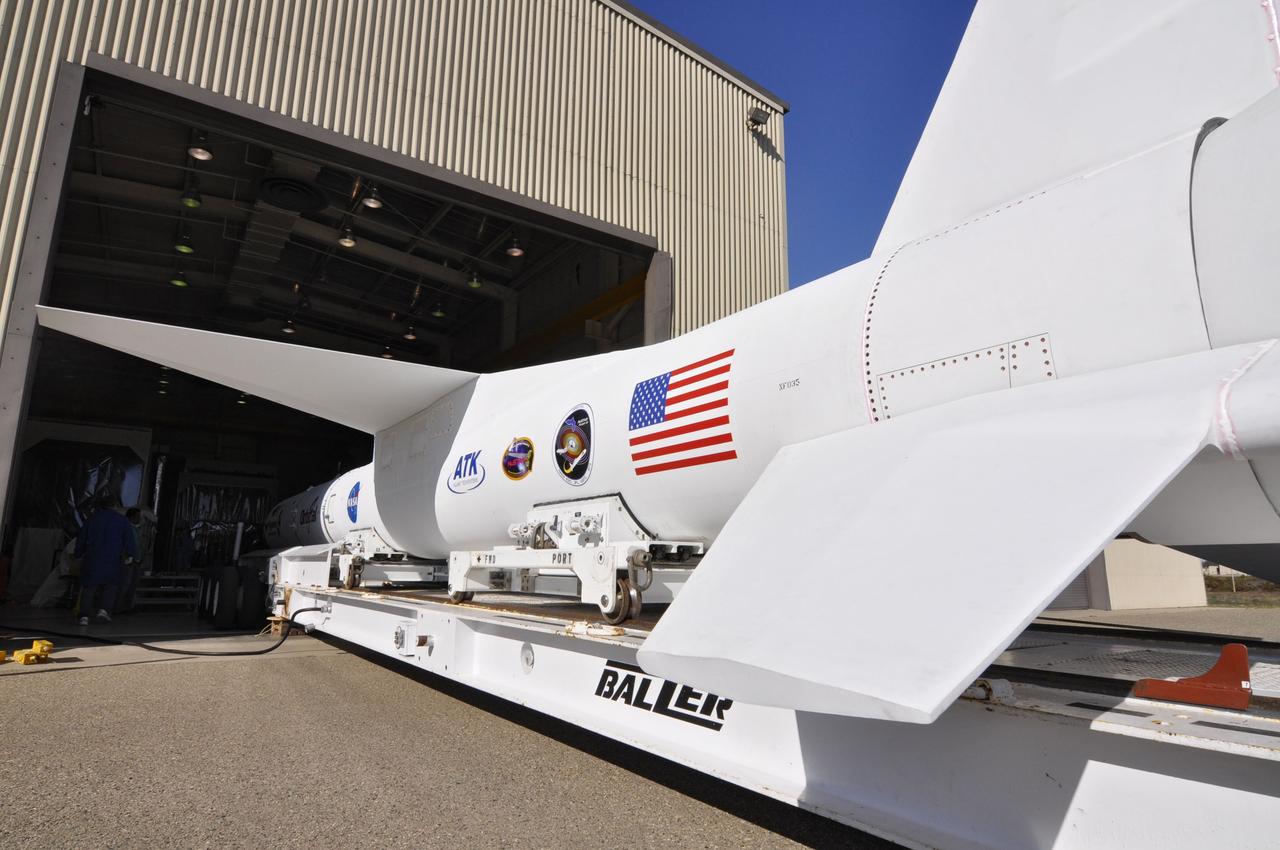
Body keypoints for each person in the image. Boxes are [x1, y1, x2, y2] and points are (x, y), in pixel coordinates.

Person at [76, 494, 138, 625]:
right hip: (113, 559)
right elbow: (129, 541)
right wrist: (130, 554)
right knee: (111, 586)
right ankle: (104, 610)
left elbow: (81, 538)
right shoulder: (122, 521)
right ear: (115, 506)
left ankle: (84, 617)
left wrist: (78, 553)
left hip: (93, 558)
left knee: (89, 588)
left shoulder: (92, 519)